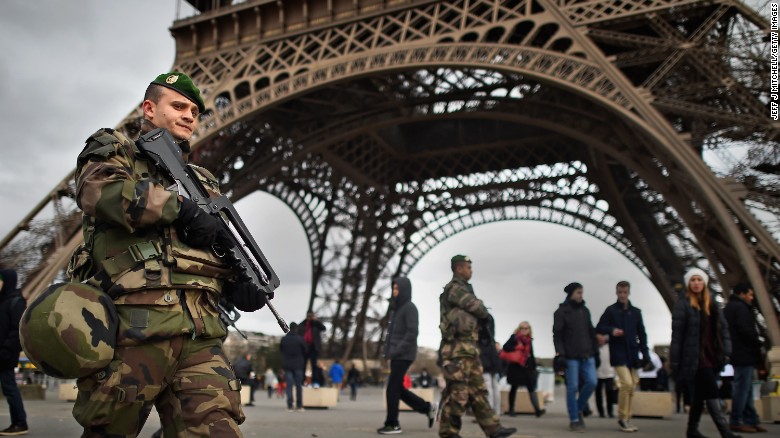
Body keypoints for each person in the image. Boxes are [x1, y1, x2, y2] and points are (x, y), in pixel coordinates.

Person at [69, 71, 269, 436]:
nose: (190, 115)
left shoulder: (204, 181)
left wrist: (238, 283)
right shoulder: (116, 150)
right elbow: (99, 193)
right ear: (149, 108)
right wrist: (181, 208)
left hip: (201, 332)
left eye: (194, 110)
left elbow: (210, 249)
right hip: (133, 328)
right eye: (178, 105)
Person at [438, 255, 516, 438]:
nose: (470, 271)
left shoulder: (464, 289)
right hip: (456, 349)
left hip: (470, 349)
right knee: (458, 392)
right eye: (468, 267)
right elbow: (478, 308)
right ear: (458, 269)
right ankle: (448, 432)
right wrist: (482, 309)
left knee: (478, 391)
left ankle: (493, 428)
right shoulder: (454, 289)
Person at [670, 268, 742, 438]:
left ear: (704, 283)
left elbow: (723, 330)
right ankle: (725, 432)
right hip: (695, 358)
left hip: (711, 356)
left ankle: (692, 430)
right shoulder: (683, 305)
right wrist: (675, 362)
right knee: (711, 393)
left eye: (699, 279)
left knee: (700, 396)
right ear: (688, 283)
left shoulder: (713, 305)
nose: (696, 283)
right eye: (693, 280)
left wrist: (726, 351)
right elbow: (677, 336)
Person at [378, 277, 437, 435]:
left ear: (404, 290)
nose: (394, 292)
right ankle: (427, 408)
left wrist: (396, 350)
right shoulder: (397, 309)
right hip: (397, 354)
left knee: (392, 389)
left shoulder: (410, 308)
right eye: (393, 289)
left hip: (403, 354)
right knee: (398, 388)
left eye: (397, 289)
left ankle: (393, 423)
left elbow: (412, 333)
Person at [596, 280, 651, 432]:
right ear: (616, 292)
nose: (622, 295)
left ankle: (627, 417)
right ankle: (622, 417)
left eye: (625, 292)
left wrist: (645, 355)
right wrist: (612, 330)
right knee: (626, 383)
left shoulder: (636, 312)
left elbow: (642, 334)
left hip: (632, 353)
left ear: (629, 292)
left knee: (632, 386)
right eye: (620, 292)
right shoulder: (611, 310)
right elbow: (599, 327)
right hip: (618, 352)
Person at [553, 282, 599, 433]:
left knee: (592, 382)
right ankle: (574, 419)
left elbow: (591, 332)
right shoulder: (561, 312)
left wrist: (595, 351)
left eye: (582, 292)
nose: (581, 295)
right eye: (579, 292)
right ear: (571, 293)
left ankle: (577, 409)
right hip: (571, 356)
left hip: (587, 354)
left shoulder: (585, 311)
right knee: (572, 387)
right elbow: (557, 335)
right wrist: (560, 353)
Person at [724, 282, 767, 433]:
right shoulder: (740, 308)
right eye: (750, 294)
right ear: (741, 294)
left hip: (738, 353)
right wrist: (758, 342)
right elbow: (746, 330)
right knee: (743, 389)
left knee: (746, 389)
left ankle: (751, 419)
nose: (752, 297)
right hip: (744, 353)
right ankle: (736, 420)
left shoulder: (730, 307)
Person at [0, 269, 28, 436]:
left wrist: (5, 351)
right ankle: (19, 422)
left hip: (5, 355)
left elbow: (17, 330)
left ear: (8, 281)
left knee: (10, 388)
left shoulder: (16, 302)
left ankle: (20, 422)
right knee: (9, 387)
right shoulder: (3, 301)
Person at [502, 321, 545, 417]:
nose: (524, 330)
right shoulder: (514, 338)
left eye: (526, 328)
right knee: (514, 387)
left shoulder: (529, 340)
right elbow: (506, 347)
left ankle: (537, 409)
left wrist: (533, 367)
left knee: (531, 387)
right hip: (516, 366)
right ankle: (511, 409)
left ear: (529, 329)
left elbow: (531, 354)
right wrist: (517, 347)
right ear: (519, 329)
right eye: (522, 328)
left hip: (526, 367)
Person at [478, 315, 502, 416]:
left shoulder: (481, 337)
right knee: (494, 387)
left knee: (488, 388)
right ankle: (496, 411)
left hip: (485, 359)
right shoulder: (491, 337)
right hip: (492, 358)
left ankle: (489, 413)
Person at [280, 322, 306, 412]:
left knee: (289, 386)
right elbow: (305, 350)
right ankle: (299, 405)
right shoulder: (300, 339)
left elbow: (281, 350)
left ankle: (290, 405)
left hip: (287, 365)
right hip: (298, 364)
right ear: (297, 329)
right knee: (298, 385)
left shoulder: (284, 339)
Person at [594, 334, 616, 418]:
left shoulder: (610, 347)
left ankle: (610, 411)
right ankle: (601, 412)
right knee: (598, 394)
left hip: (609, 373)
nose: (601, 340)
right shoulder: (595, 348)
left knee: (609, 392)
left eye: (602, 339)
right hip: (597, 373)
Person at [299, 311, 326, 377]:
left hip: (314, 347)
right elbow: (299, 330)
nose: (310, 318)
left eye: (311, 316)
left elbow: (323, 328)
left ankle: (315, 381)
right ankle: (302, 380)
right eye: (309, 316)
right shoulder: (303, 324)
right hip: (305, 347)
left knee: (314, 365)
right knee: (303, 364)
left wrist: (317, 321)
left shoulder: (316, 324)